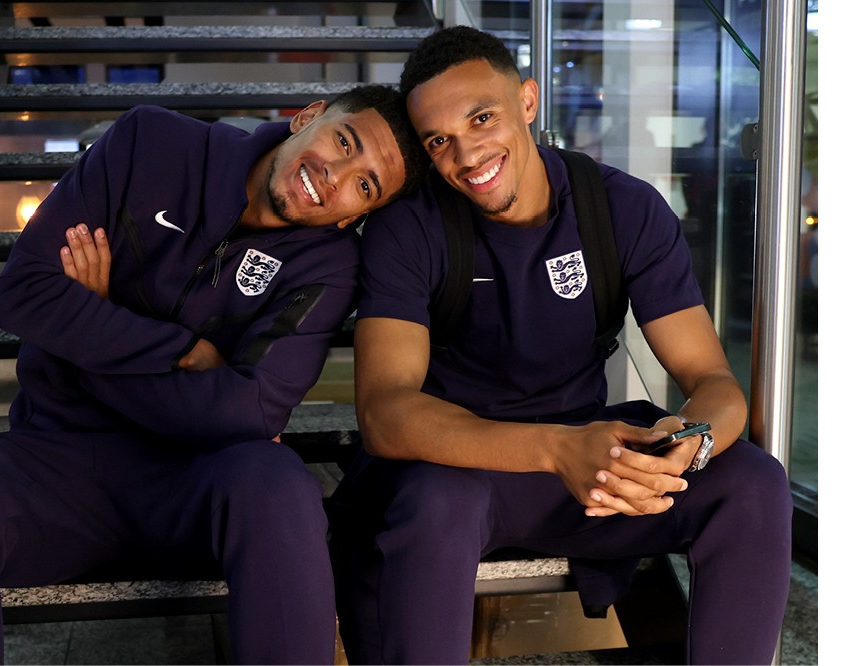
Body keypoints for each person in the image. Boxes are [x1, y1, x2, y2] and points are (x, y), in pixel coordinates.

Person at [328, 26, 793, 665]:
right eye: (441, 141)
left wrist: (686, 446)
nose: (467, 156)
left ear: (528, 101)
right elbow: (385, 413)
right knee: (439, 502)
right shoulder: (410, 228)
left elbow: (710, 377)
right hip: (456, 465)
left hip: (586, 458)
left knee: (753, 482)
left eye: (482, 118)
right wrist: (557, 449)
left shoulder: (621, 208)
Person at [0, 86, 428, 665]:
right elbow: (25, 293)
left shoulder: (330, 266)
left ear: (359, 215)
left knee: (277, 479)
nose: (334, 177)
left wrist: (89, 335)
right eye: (344, 141)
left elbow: (252, 412)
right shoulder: (152, 143)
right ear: (308, 117)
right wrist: (184, 348)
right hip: (56, 461)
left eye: (364, 185)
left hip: (192, 482)